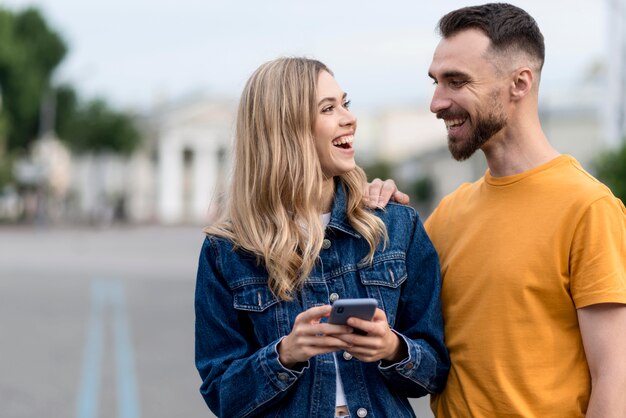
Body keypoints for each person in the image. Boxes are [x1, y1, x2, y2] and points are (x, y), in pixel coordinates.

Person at [372, 3, 626, 417]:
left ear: (520, 83)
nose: (437, 102)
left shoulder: (588, 208)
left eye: (456, 82)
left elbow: (615, 380)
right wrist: (373, 213)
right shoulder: (447, 215)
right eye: (436, 82)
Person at [194, 57, 449, 418]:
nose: (349, 118)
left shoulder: (396, 225)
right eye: (328, 108)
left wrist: (393, 347)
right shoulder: (227, 250)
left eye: (345, 103)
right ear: (284, 129)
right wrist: (284, 354)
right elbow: (221, 394)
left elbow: (436, 372)